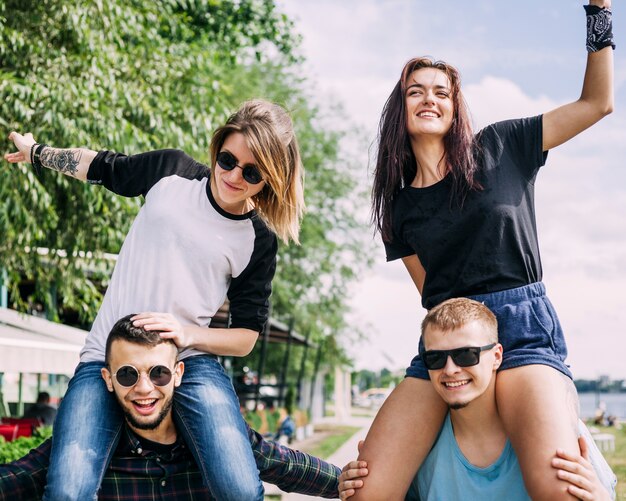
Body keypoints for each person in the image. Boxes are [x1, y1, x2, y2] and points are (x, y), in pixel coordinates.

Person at [359, 2, 615, 499]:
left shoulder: (504, 145)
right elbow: (431, 297)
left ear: (456, 107)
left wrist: (599, 11)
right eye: (416, 91)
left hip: (521, 329)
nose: (429, 99)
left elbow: (597, 103)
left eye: (441, 91)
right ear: (401, 108)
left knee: (559, 488)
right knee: (368, 489)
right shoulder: (399, 208)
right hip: (447, 340)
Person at [4, 99, 305, 501]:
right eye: (228, 160)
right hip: (105, 358)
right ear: (217, 149)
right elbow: (101, 166)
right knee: (66, 491)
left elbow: (246, 337)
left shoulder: (258, 239)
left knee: (239, 487)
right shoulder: (171, 171)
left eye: (252, 172)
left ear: (271, 179)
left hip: (186, 362)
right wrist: (37, 153)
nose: (234, 176)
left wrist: (185, 334)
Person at [0, 315, 340, 500]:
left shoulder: (218, 444)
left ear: (178, 374)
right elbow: (13, 480)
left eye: (158, 373)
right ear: (107, 378)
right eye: (128, 374)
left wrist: (351, 482)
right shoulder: (83, 449)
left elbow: (289, 466)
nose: (144, 388)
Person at [338, 298, 616, 500]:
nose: (450, 369)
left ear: (496, 356)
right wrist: (346, 482)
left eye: (466, 355)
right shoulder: (420, 449)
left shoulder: (551, 433)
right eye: (435, 359)